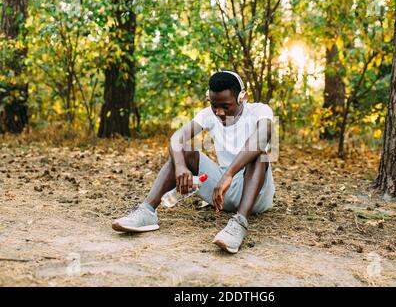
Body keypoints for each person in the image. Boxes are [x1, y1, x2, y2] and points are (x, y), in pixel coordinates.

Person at [112, 71, 275, 254]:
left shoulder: (260, 110)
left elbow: (262, 138)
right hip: (222, 192)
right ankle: (147, 211)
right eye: (214, 106)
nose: (219, 112)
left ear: (242, 98)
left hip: (256, 195)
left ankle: (239, 223)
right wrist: (181, 167)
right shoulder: (208, 114)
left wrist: (229, 173)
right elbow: (176, 138)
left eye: (226, 106)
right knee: (183, 153)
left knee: (259, 153)